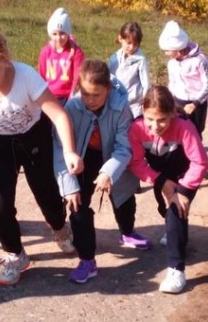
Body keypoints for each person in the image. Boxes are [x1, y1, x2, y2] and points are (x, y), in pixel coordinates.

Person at [0, 27, 82, 286]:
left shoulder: (26, 76)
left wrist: (68, 151)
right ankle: (15, 255)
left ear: (6, 61)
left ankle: (60, 227)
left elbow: (59, 115)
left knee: (48, 197)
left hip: (34, 139)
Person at [54, 60, 145, 284]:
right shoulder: (72, 107)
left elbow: (124, 147)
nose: (90, 100)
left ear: (108, 89)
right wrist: (69, 187)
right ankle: (87, 260)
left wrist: (109, 173)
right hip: (81, 156)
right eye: (85, 94)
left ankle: (127, 231)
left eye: (96, 95)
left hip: (113, 154)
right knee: (77, 206)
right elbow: (59, 147)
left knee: (123, 196)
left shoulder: (121, 107)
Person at [128, 85, 208, 294]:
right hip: (161, 176)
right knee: (166, 212)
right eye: (150, 119)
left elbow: (200, 162)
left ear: (172, 113)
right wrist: (160, 181)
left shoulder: (184, 126)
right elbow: (136, 161)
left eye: (162, 120)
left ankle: (176, 270)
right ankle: (176, 233)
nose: (155, 126)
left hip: (185, 176)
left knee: (176, 211)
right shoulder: (136, 128)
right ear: (143, 112)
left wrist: (183, 190)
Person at [158, 20, 208, 136]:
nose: (165, 54)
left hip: (197, 103)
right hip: (178, 102)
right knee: (179, 132)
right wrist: (171, 100)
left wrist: (195, 104)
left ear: (178, 50)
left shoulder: (199, 60)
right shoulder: (171, 63)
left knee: (196, 132)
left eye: (167, 51)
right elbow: (172, 83)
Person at [37, 7, 85, 103]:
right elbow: (41, 75)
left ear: (68, 34)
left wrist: (72, 96)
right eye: (54, 34)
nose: (58, 38)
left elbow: (77, 77)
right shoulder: (46, 51)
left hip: (67, 97)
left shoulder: (76, 52)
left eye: (62, 33)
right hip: (49, 95)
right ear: (50, 34)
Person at [107, 21, 150, 119]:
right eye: (129, 43)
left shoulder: (140, 60)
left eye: (135, 44)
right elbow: (109, 77)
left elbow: (146, 83)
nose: (131, 47)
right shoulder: (114, 58)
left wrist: (145, 101)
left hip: (134, 105)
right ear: (120, 39)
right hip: (116, 103)